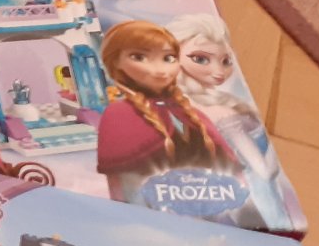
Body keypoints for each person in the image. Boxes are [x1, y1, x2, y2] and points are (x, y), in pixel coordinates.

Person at [96, 20, 240, 205]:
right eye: (139, 57)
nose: (160, 70)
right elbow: (122, 189)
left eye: (168, 58)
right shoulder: (119, 114)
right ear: (116, 62)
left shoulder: (188, 111)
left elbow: (233, 174)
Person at [168, 12, 291, 229]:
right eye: (200, 59)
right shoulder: (222, 113)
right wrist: (277, 146)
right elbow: (265, 172)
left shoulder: (183, 108)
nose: (219, 72)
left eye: (226, 61)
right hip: (262, 204)